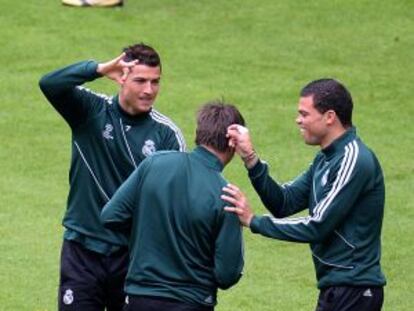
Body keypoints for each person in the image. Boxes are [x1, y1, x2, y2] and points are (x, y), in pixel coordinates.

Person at [39, 43, 186, 311]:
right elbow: (50, 84)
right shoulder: (90, 111)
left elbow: (173, 203)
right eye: (141, 81)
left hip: (133, 258)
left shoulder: (166, 135)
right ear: (121, 77)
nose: (149, 90)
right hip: (82, 250)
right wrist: (97, 69)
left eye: (155, 82)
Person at [222, 79, 386, 311]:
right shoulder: (325, 159)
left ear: (329, 116)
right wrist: (251, 159)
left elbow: (317, 226)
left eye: (304, 114)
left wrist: (254, 221)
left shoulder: (354, 159)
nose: (298, 120)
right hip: (337, 289)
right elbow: (284, 202)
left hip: (355, 289)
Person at [101, 101, 245, 311]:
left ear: (199, 132)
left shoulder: (154, 164)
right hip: (192, 302)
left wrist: (145, 234)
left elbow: (111, 216)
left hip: (139, 298)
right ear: (233, 142)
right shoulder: (228, 195)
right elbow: (227, 275)